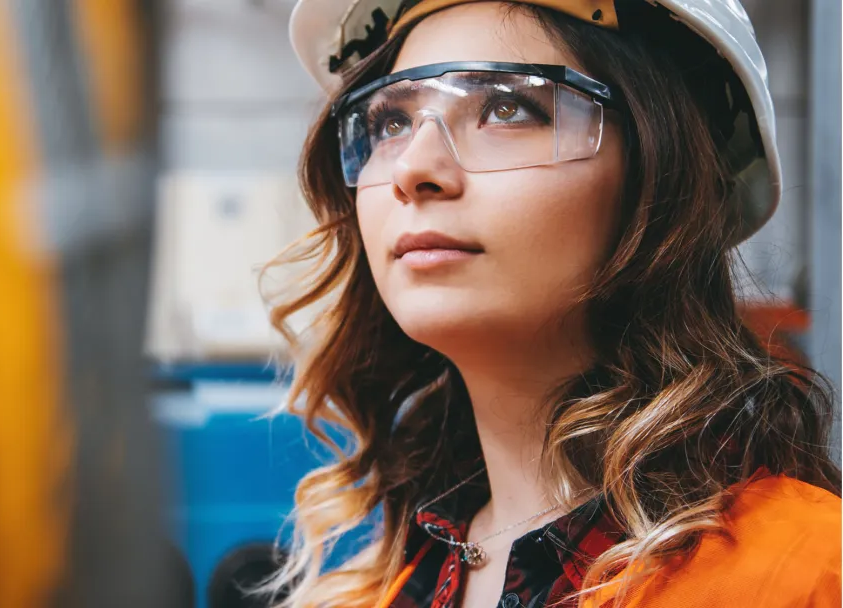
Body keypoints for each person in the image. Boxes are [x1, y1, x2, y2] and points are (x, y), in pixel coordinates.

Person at [259, 1, 843, 607]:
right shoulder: (368, 593)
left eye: (507, 108)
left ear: (659, 175)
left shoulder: (805, 575)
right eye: (390, 123)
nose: (412, 169)